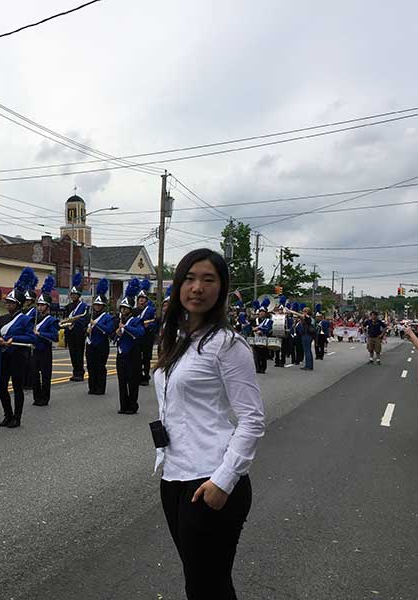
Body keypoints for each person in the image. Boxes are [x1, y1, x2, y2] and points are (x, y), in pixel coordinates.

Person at [154, 248, 265, 599]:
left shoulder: (228, 345)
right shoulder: (178, 341)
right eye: (189, 278)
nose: (197, 287)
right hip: (174, 476)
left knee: (209, 586)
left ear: (221, 290)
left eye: (208, 279)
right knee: (199, 583)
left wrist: (225, 479)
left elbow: (252, 419)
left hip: (211, 480)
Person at [0, 283, 35, 428]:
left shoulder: (25, 319)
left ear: (18, 304)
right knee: (2, 387)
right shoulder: (1, 319)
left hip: (18, 356)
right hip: (3, 356)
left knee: (17, 388)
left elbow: (31, 337)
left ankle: (17, 417)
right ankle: (7, 414)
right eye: (8, 302)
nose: (8, 305)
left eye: (11, 303)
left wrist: (14, 339)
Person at [115, 278, 145, 415]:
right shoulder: (120, 320)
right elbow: (115, 337)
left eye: (126, 308)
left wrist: (125, 327)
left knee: (132, 382)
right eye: (122, 308)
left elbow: (140, 333)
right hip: (121, 354)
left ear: (130, 310)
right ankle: (123, 405)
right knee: (122, 381)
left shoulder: (136, 320)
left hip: (133, 354)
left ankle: (132, 406)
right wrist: (116, 334)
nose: (123, 310)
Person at [86, 278, 116, 396]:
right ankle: (92, 387)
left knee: (100, 367)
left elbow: (109, 330)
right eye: (95, 305)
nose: (97, 307)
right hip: (90, 344)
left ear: (103, 306)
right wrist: (86, 330)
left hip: (101, 345)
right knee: (90, 366)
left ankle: (100, 388)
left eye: (99, 305)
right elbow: (86, 328)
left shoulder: (108, 317)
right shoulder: (90, 315)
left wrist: (96, 324)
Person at [32, 276, 59, 406]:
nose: (40, 307)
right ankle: (36, 397)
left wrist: (40, 333)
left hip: (45, 350)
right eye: (39, 305)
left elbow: (55, 337)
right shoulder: (34, 319)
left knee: (45, 375)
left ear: (47, 307)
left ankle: (44, 398)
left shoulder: (51, 320)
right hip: (34, 350)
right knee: (34, 375)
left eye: (42, 305)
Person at [63, 273, 89, 382]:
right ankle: (75, 371)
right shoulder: (68, 307)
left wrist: (75, 322)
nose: (73, 296)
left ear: (79, 295)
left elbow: (85, 319)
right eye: (72, 294)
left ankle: (80, 372)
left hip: (78, 333)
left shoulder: (84, 307)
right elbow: (64, 319)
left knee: (79, 353)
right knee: (72, 354)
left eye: (75, 294)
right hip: (70, 333)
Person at [136, 278, 157, 386]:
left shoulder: (151, 310)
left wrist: (149, 325)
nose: (141, 300)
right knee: (137, 357)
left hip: (147, 336)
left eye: (143, 298)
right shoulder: (135, 310)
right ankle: (138, 375)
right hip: (137, 337)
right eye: (140, 298)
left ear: (146, 300)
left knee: (146, 357)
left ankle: (145, 376)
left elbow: (155, 322)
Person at [252, 307, 272, 374]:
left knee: (263, 355)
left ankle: (263, 368)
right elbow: (251, 327)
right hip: (256, 338)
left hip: (264, 338)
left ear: (265, 313)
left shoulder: (268, 320)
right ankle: (257, 368)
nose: (261, 313)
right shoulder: (255, 320)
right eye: (260, 311)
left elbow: (269, 329)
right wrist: (253, 329)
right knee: (256, 354)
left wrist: (261, 331)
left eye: (263, 312)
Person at [300, 306, 315, 371]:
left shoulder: (307, 318)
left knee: (307, 351)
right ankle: (310, 365)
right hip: (310, 335)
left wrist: (289, 310)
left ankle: (308, 366)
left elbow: (298, 314)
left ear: (306, 312)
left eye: (304, 311)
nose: (303, 313)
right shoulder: (312, 318)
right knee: (309, 350)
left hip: (306, 335)